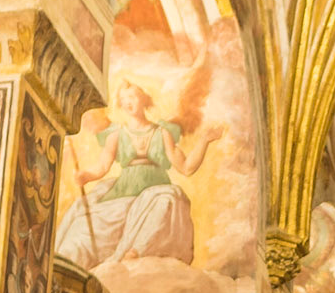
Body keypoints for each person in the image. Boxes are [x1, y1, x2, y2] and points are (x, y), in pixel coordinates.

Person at [55, 79, 218, 269]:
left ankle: (135, 251)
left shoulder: (162, 133)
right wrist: (86, 176)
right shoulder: (116, 135)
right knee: (85, 226)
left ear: (144, 99)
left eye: (132, 96)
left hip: (155, 190)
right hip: (123, 193)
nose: (128, 102)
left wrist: (205, 141)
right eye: (123, 99)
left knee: (169, 199)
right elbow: (102, 166)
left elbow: (187, 168)